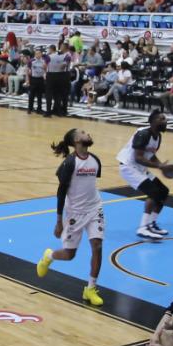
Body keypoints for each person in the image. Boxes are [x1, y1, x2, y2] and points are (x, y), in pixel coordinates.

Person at [36, 128, 106, 307]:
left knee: (97, 246)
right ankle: (49, 256)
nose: (88, 133)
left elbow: (90, 185)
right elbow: (61, 193)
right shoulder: (69, 163)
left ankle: (90, 288)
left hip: (94, 208)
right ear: (76, 140)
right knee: (69, 255)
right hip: (74, 212)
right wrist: (59, 221)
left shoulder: (95, 160)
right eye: (83, 132)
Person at [117, 109, 173, 240]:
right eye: (162, 119)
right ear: (153, 122)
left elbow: (150, 156)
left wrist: (161, 166)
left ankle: (151, 223)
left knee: (163, 191)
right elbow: (138, 157)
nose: (165, 121)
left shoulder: (158, 136)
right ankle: (143, 227)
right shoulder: (143, 134)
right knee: (153, 192)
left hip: (140, 168)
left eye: (165, 119)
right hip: (128, 167)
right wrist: (160, 166)